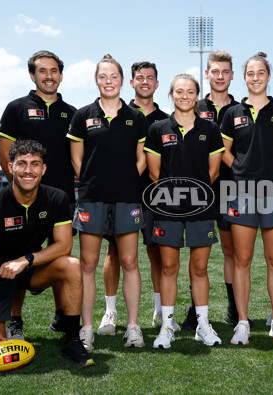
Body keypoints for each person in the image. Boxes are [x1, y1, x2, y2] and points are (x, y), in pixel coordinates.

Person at [0, 140, 93, 367]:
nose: (28, 170)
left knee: (72, 264)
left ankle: (73, 339)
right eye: (22, 163)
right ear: (10, 167)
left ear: (43, 169)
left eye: (35, 164)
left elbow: (64, 245)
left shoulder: (56, 198)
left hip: (29, 268)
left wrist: (25, 260)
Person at [67, 54, 149, 350]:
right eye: (103, 77)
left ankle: (133, 326)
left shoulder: (135, 117)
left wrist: (127, 180)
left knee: (129, 261)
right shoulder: (82, 115)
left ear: (122, 81)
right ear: (96, 80)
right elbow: (77, 159)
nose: (109, 82)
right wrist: (93, 183)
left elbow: (141, 158)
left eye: (114, 77)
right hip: (92, 198)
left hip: (127, 198)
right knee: (88, 264)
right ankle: (87, 328)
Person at [0, 50, 77, 340]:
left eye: (54, 70)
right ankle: (15, 318)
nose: (49, 76)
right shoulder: (16, 108)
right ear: (33, 75)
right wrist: (21, 190)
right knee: (16, 256)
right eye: (42, 71)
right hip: (24, 201)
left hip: (62, 199)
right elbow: (4, 151)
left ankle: (60, 315)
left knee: (60, 254)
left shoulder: (72, 113)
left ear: (61, 75)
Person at [98, 61, 180, 336]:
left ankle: (160, 311)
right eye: (139, 78)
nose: (145, 82)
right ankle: (110, 312)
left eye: (151, 78)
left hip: (157, 197)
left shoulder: (169, 119)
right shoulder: (119, 113)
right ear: (130, 83)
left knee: (157, 252)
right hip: (122, 195)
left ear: (157, 84)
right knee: (115, 253)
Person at [144, 73, 225, 348]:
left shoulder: (210, 129)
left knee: (200, 269)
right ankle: (167, 326)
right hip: (167, 209)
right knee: (169, 267)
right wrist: (175, 197)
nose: (185, 96)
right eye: (179, 91)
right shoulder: (157, 129)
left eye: (190, 92)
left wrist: (194, 196)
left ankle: (203, 324)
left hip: (202, 209)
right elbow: (155, 174)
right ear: (171, 95)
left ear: (197, 95)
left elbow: (213, 171)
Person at [221, 52, 273, 345]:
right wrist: (241, 170)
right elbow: (224, 151)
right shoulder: (232, 113)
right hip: (240, 193)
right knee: (242, 260)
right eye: (250, 73)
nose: (255, 78)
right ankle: (242, 322)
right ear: (245, 78)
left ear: (269, 78)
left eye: (260, 73)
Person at [184, 50, 243, 329]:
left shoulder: (242, 109)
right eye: (215, 71)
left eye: (225, 72)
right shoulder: (193, 106)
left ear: (232, 75)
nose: (220, 76)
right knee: (198, 252)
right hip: (201, 189)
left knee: (232, 251)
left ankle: (234, 307)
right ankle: (194, 309)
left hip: (232, 188)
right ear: (207, 74)